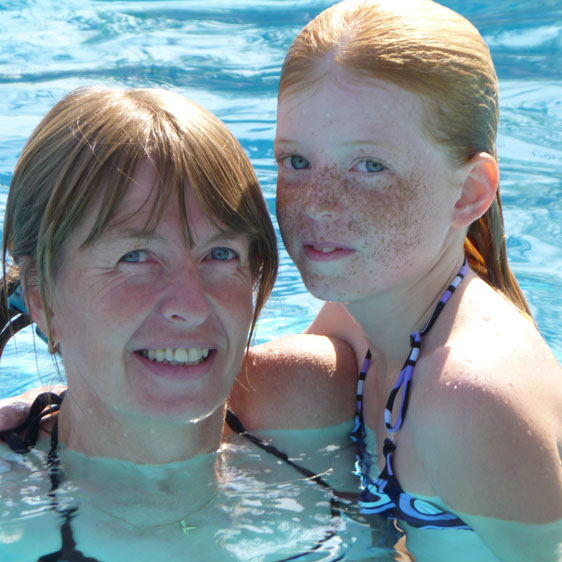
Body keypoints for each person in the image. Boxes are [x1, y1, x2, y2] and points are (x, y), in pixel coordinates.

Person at [0, 86, 365, 561]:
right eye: (135, 257)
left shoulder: (310, 401)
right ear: (42, 298)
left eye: (220, 254)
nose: (192, 306)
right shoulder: (11, 496)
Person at [266, 0, 562, 560]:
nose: (319, 207)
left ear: (470, 191)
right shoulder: (355, 316)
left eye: (370, 166)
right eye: (296, 162)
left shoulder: (468, 402)